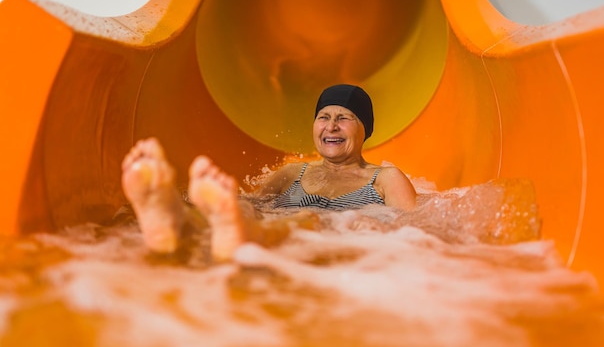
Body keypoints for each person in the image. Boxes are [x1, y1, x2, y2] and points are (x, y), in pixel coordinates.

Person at [121, 84, 417, 261]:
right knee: (241, 208)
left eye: (345, 118)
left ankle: (241, 234)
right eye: (323, 117)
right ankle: (177, 220)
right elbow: (251, 203)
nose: (331, 126)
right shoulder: (293, 173)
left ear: (365, 129)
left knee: (308, 218)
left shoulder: (386, 180)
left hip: (332, 255)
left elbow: (415, 234)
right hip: (271, 246)